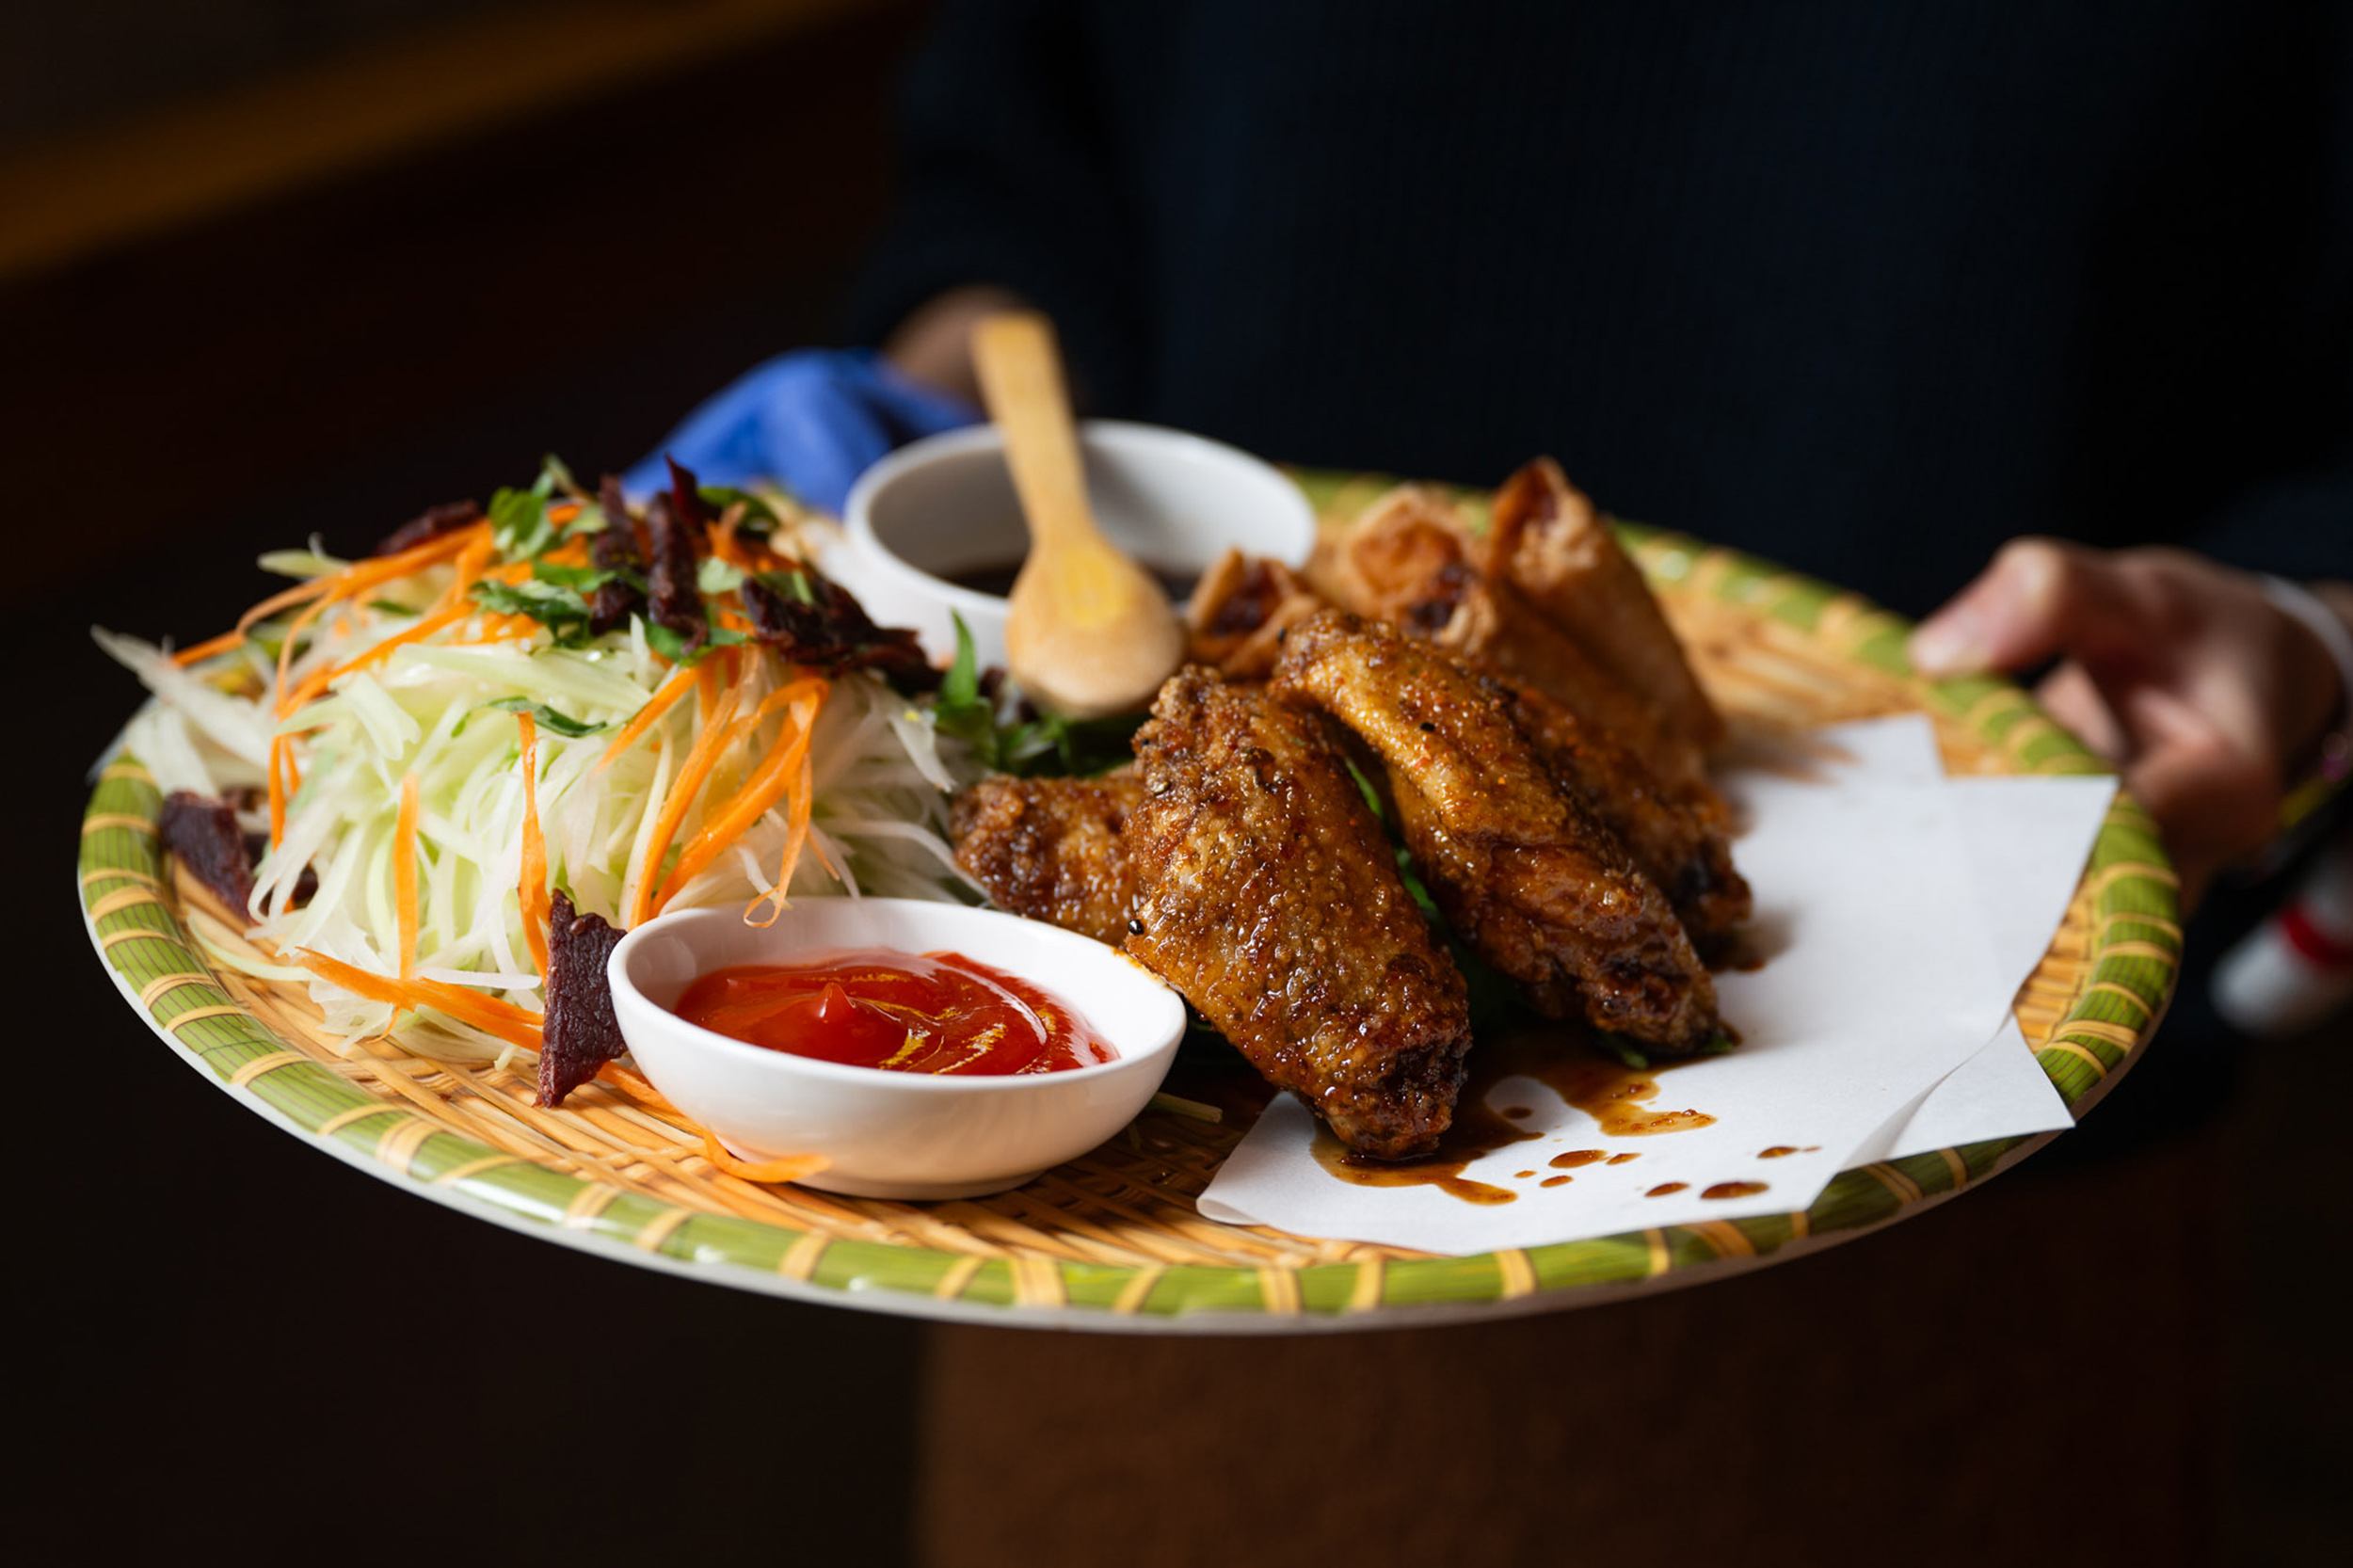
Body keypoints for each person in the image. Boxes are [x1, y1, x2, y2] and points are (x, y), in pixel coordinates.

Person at [632, 0, 2351, 1032]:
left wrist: (2313, 634)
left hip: (1988, 1162)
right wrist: (932, 432)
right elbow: (1021, 163)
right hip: (1117, 1243)